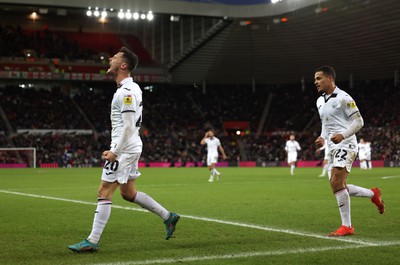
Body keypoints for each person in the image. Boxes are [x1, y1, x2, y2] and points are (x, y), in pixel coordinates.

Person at [68, 47, 180, 253]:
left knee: (104, 191)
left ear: (123, 65)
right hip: (130, 146)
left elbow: (128, 126)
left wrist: (115, 152)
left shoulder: (127, 92)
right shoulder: (125, 89)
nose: (110, 58)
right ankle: (168, 216)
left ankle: (92, 241)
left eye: (115, 57)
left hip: (125, 149)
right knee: (128, 193)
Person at [314, 66, 384, 237]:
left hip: (346, 144)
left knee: (337, 182)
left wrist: (343, 134)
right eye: (315, 79)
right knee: (337, 185)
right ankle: (372, 194)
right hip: (331, 147)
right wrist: (322, 138)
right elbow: (325, 122)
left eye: (319, 78)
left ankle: (347, 226)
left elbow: (359, 122)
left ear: (330, 79)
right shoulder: (320, 101)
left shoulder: (344, 98)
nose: (315, 82)